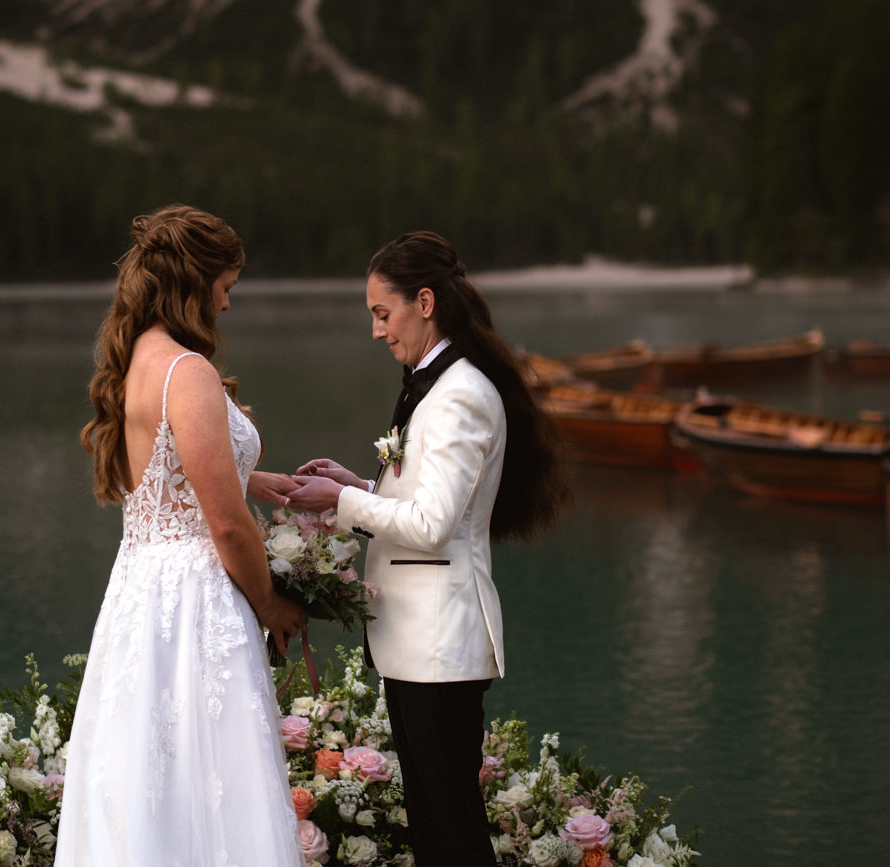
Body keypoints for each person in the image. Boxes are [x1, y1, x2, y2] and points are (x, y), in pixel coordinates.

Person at [286, 230, 569, 867]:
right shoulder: (431, 385)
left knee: (453, 836)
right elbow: (424, 501)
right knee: (435, 829)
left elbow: (433, 523)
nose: (378, 331)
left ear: (424, 301)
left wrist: (338, 504)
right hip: (416, 646)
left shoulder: (460, 394)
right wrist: (356, 484)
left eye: (383, 315)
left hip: (439, 646)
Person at [56, 204, 307, 866]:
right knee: (212, 792)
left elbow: (178, 472)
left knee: (151, 793)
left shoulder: (138, 358)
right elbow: (225, 524)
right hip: (195, 605)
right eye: (225, 287)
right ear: (195, 283)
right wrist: (271, 603)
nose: (227, 304)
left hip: (141, 595)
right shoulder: (187, 372)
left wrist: (254, 474)